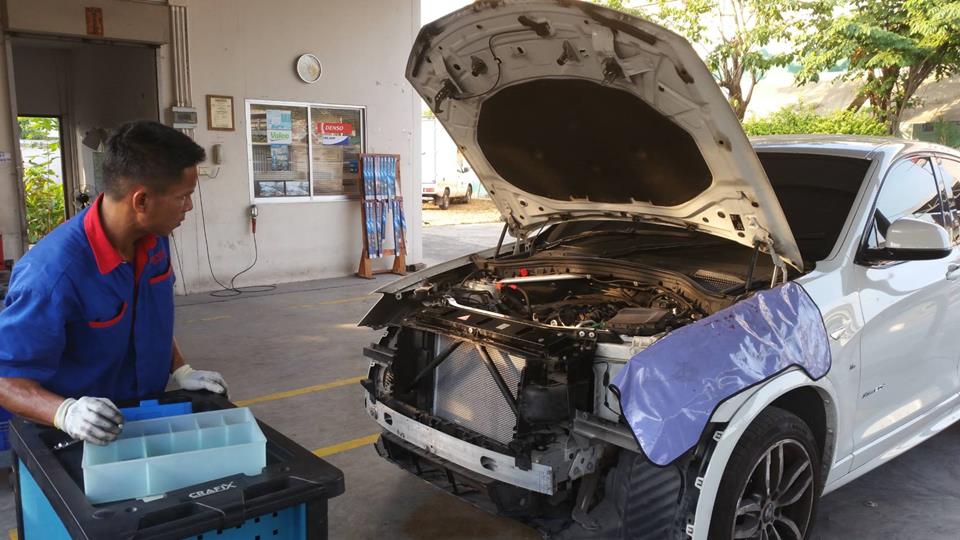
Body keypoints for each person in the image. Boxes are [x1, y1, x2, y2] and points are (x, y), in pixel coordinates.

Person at [0, 120, 227, 445]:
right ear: (141, 201)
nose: (189, 207)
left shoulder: (154, 239)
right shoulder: (51, 276)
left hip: (140, 417)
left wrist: (181, 369)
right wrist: (65, 413)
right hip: (74, 438)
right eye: (183, 196)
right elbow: (7, 380)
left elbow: (148, 315)